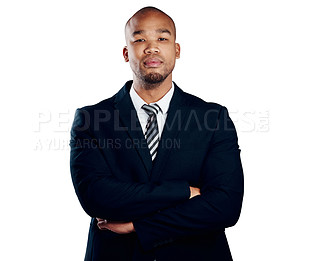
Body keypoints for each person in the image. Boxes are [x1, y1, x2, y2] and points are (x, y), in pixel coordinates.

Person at [70, 6, 244, 261]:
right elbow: (96, 198)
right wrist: (184, 192)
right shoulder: (92, 119)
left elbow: (225, 207)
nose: (151, 47)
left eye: (162, 38)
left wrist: (138, 226)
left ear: (176, 50)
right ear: (126, 52)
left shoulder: (213, 118)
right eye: (140, 39)